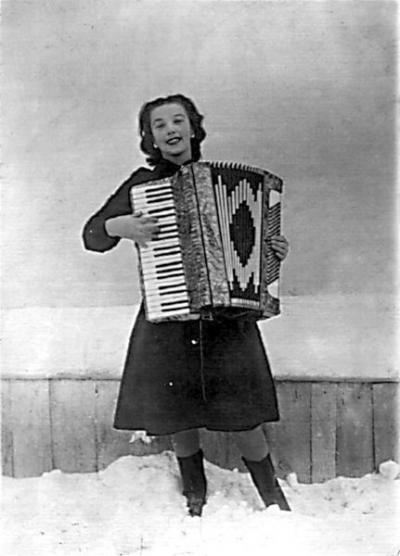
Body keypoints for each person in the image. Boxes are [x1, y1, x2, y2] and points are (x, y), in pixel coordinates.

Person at [82, 93, 291, 516]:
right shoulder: (142, 185)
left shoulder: (223, 180)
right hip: (168, 315)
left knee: (245, 413)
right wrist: (119, 225)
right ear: (150, 137)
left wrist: (273, 252)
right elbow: (92, 235)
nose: (170, 130)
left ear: (193, 129)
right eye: (159, 125)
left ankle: (273, 499)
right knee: (179, 413)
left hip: (226, 318)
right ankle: (195, 494)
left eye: (178, 121)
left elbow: (251, 248)